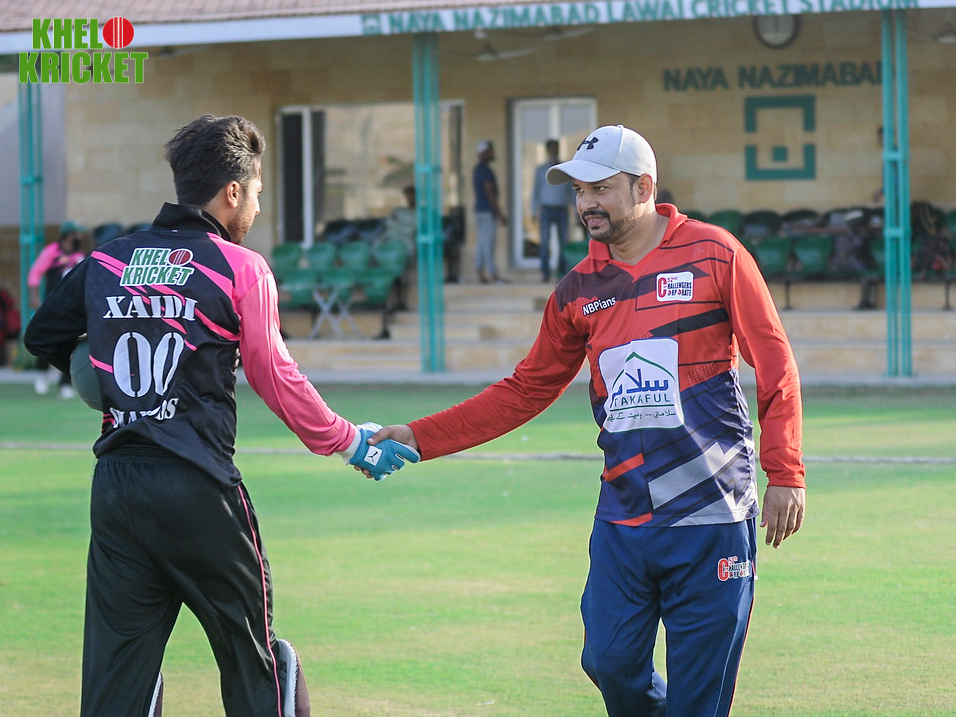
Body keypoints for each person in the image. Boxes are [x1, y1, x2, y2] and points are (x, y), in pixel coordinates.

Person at [368, 125, 806, 716]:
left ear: (643, 188)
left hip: (713, 514)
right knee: (607, 661)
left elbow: (775, 362)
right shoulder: (576, 290)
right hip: (624, 517)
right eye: (579, 191)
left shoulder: (715, 254)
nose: (585, 204)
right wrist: (421, 436)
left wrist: (786, 473)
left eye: (601, 189)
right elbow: (525, 390)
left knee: (699, 699)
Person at [23, 114, 418, 717]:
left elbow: (42, 334)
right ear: (232, 191)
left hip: (118, 490)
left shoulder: (107, 260)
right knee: (253, 662)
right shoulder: (241, 266)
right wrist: (350, 441)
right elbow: (274, 374)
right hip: (199, 488)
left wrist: (104, 371)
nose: (256, 206)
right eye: (256, 192)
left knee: (115, 681)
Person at [27, 221, 88, 398]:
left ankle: (65, 383)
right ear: (70, 234)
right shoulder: (52, 251)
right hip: (54, 305)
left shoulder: (80, 255)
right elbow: (35, 273)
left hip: (75, 307)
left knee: (72, 343)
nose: (81, 237)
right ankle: (41, 373)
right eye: (78, 233)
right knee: (47, 338)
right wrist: (34, 296)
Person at [531, 138, 575, 282]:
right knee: (544, 242)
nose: (554, 151)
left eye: (556, 148)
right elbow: (536, 191)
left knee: (564, 242)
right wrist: (533, 211)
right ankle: (545, 273)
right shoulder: (541, 169)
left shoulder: (564, 168)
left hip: (562, 209)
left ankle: (561, 273)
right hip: (546, 209)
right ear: (547, 150)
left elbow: (571, 191)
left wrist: (576, 210)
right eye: (552, 148)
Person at [473, 139, 507, 284]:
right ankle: (493, 274)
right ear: (484, 152)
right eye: (490, 151)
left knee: (481, 243)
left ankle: (480, 273)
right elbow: (489, 192)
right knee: (488, 244)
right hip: (487, 211)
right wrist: (499, 214)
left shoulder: (477, 169)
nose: (493, 153)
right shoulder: (485, 170)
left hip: (480, 211)